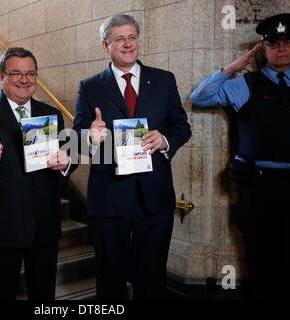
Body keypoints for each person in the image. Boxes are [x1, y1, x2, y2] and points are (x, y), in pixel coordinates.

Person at [72, 14, 191, 299]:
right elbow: (77, 134)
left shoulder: (163, 80)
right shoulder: (89, 86)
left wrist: (164, 139)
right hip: (109, 195)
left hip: (155, 194)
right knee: (109, 275)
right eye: (119, 38)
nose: (127, 44)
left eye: (132, 37)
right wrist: (91, 134)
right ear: (105, 45)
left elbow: (181, 126)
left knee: (152, 276)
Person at [190, 13, 290, 298]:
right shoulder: (246, 84)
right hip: (259, 188)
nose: (281, 48)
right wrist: (232, 68)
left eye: (288, 41)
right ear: (263, 49)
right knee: (262, 264)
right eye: (274, 43)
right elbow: (200, 97)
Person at [0, 47, 70, 299]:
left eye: (30, 73)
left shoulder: (51, 114)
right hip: (1, 226)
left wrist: (65, 163)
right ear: (2, 76)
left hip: (44, 227)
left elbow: (63, 159)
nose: (24, 79)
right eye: (16, 73)